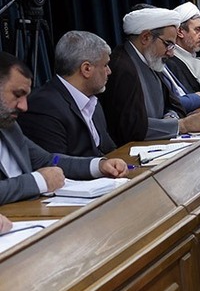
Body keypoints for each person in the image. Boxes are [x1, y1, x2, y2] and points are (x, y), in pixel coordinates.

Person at [0, 51, 127, 205]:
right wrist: (38, 181)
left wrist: (98, 166)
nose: (24, 106)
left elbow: (49, 160)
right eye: (17, 94)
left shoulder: (10, 128)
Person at [101, 6, 200, 145]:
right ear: (146, 37)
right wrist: (181, 125)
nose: (171, 53)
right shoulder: (122, 67)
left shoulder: (151, 59)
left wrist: (170, 118)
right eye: (168, 44)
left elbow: (174, 104)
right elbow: (130, 127)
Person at [20, 31, 118, 158]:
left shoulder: (92, 101)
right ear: (86, 69)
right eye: (105, 65)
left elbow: (109, 149)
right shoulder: (44, 106)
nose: (109, 71)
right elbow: (55, 164)